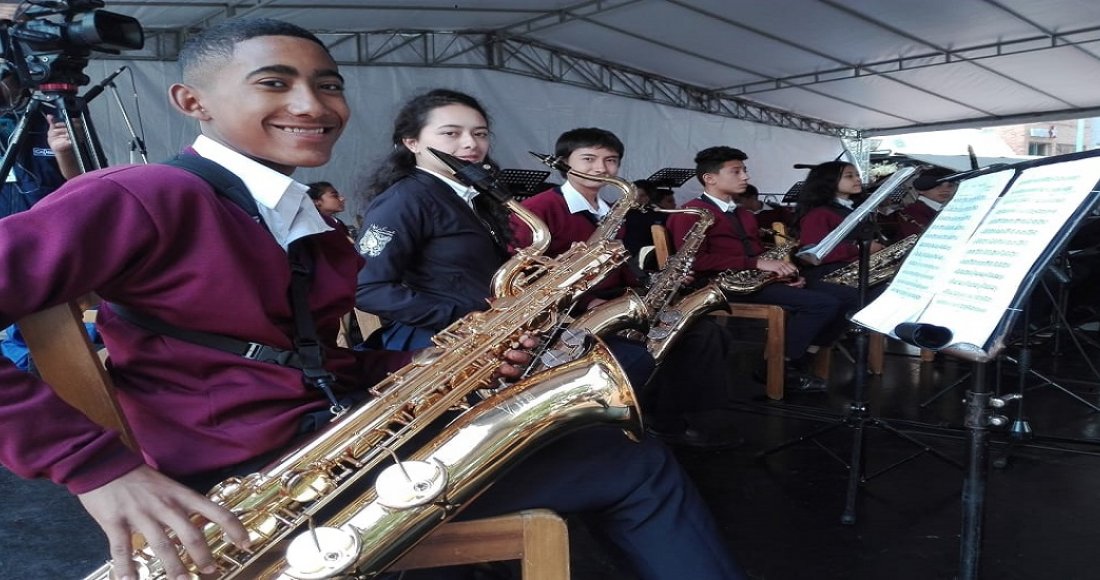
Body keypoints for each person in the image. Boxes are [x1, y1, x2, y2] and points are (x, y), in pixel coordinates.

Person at [0, 22, 749, 580]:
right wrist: (91, 465)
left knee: (611, 451)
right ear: (190, 101)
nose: (314, 104)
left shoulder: (301, 217)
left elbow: (306, 358)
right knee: (635, 467)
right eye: (274, 82)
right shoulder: (142, 195)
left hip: (319, 444)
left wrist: (448, 367)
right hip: (247, 482)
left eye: (329, 84)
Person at [352, 90, 746, 577]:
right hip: (438, 352)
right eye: (450, 134)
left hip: (494, 343)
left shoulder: (475, 198)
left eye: (478, 133)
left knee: (631, 371)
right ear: (411, 142)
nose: (470, 144)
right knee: (622, 408)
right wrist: (478, 315)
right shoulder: (406, 198)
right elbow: (373, 291)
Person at [511, 127, 744, 447]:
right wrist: (588, 304)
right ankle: (664, 420)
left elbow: (620, 266)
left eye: (611, 161)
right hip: (572, 311)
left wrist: (657, 281)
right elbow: (526, 277)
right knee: (692, 338)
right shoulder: (539, 208)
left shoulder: (608, 209)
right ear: (564, 163)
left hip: (618, 300)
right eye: (588, 159)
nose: (601, 169)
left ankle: (672, 415)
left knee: (710, 332)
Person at [666, 146, 856, 393]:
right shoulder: (690, 213)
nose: (745, 177)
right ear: (710, 178)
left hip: (753, 280)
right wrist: (756, 264)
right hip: (717, 285)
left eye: (744, 171)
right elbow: (694, 262)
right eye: (736, 171)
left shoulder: (744, 214)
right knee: (822, 304)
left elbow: (757, 256)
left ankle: (800, 356)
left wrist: (782, 275)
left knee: (849, 298)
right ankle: (779, 366)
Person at [794, 161, 886, 278]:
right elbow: (810, 256)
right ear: (828, 181)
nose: (857, 179)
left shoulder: (854, 208)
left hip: (857, 269)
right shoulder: (818, 214)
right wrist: (860, 248)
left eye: (857, 175)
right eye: (849, 176)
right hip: (831, 275)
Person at [622, 178, 676, 267]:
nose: (636, 199)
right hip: (627, 257)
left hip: (649, 259)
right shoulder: (625, 212)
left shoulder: (660, 215)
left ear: (650, 196)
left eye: (642, 195)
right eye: (634, 195)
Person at [895, 166, 956, 238]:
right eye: (937, 185)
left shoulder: (954, 208)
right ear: (921, 189)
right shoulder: (912, 212)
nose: (945, 190)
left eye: (950, 185)